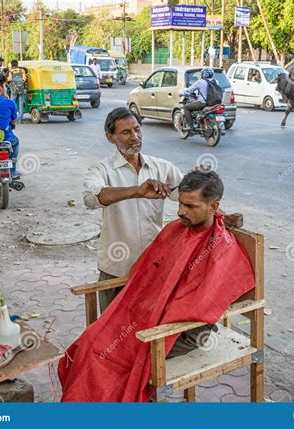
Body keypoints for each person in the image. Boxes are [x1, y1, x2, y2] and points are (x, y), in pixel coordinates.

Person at [59, 170, 256, 402]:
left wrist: (150, 324)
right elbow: (146, 276)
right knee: (88, 343)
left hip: (184, 331)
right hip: (150, 318)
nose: (181, 211)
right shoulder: (175, 229)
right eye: (180, 203)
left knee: (114, 361)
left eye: (190, 206)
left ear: (214, 207)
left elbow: (198, 308)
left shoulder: (221, 247)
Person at [83, 107, 183, 312]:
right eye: (125, 132)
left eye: (137, 129)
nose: (134, 137)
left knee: (148, 326)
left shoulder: (161, 167)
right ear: (110, 137)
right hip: (116, 267)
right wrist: (136, 191)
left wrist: (217, 210)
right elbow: (92, 198)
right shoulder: (101, 169)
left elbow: (187, 193)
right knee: (111, 329)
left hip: (153, 266)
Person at [179, 67, 214, 132]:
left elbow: (189, 90)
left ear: (203, 74)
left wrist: (181, 93)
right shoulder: (215, 81)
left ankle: (191, 126)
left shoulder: (200, 82)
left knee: (186, 108)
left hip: (203, 103)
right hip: (215, 103)